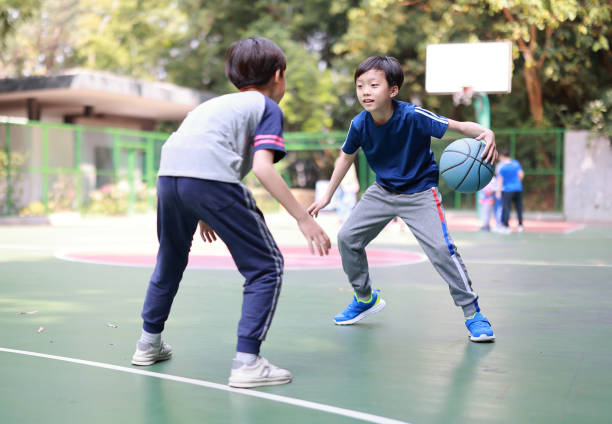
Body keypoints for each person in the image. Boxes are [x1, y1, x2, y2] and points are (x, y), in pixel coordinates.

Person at [131, 37, 331, 388]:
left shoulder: (212, 106)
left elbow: (206, 151)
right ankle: (247, 363)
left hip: (169, 178)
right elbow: (263, 168)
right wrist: (304, 217)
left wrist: (203, 209)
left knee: (170, 259)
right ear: (279, 76)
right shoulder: (267, 107)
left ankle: (148, 344)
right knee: (266, 267)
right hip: (205, 182)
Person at [308, 56, 497, 342]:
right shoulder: (359, 124)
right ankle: (364, 297)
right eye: (360, 86)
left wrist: (486, 132)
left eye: (373, 85)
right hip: (383, 191)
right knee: (347, 238)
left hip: (420, 192)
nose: (366, 92)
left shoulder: (414, 116)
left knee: (441, 250)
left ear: (393, 90)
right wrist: (326, 197)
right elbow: (346, 157)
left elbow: (458, 126)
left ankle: (473, 314)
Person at [496, 148, 524, 233]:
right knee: (519, 208)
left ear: (501, 156)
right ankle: (520, 226)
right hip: (518, 188)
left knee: (506, 208)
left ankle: (507, 226)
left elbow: (500, 180)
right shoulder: (516, 163)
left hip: (507, 189)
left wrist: (498, 191)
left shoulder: (501, 166)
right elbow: (521, 175)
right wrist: (517, 183)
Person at [333, 159, 360, 223]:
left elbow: (353, 175)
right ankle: (343, 220)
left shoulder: (351, 163)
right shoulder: (338, 161)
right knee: (343, 203)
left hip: (350, 186)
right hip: (343, 186)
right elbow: (338, 174)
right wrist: (342, 185)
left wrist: (356, 183)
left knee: (350, 203)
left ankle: (347, 220)